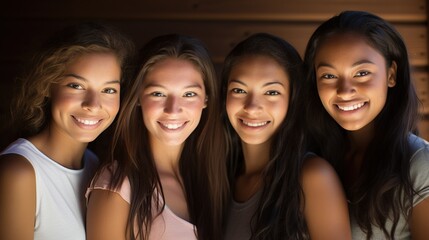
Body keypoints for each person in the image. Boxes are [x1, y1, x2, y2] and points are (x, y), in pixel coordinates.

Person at [86, 34, 229, 240]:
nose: (173, 110)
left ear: (206, 99)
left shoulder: (211, 178)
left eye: (189, 94)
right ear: (138, 98)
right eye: (158, 94)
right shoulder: (117, 185)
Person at [0, 22, 134, 240]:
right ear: (47, 85)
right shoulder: (18, 172)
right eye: (77, 86)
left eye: (108, 90)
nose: (93, 104)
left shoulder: (95, 166)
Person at [303, 10, 429, 239]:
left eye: (361, 73)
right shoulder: (310, 159)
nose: (344, 90)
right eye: (329, 76)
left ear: (391, 75)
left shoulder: (421, 164)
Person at [221, 32, 351, 239]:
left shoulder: (313, 178)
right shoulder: (219, 179)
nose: (252, 107)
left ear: (293, 99)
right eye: (239, 90)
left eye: (272, 92)